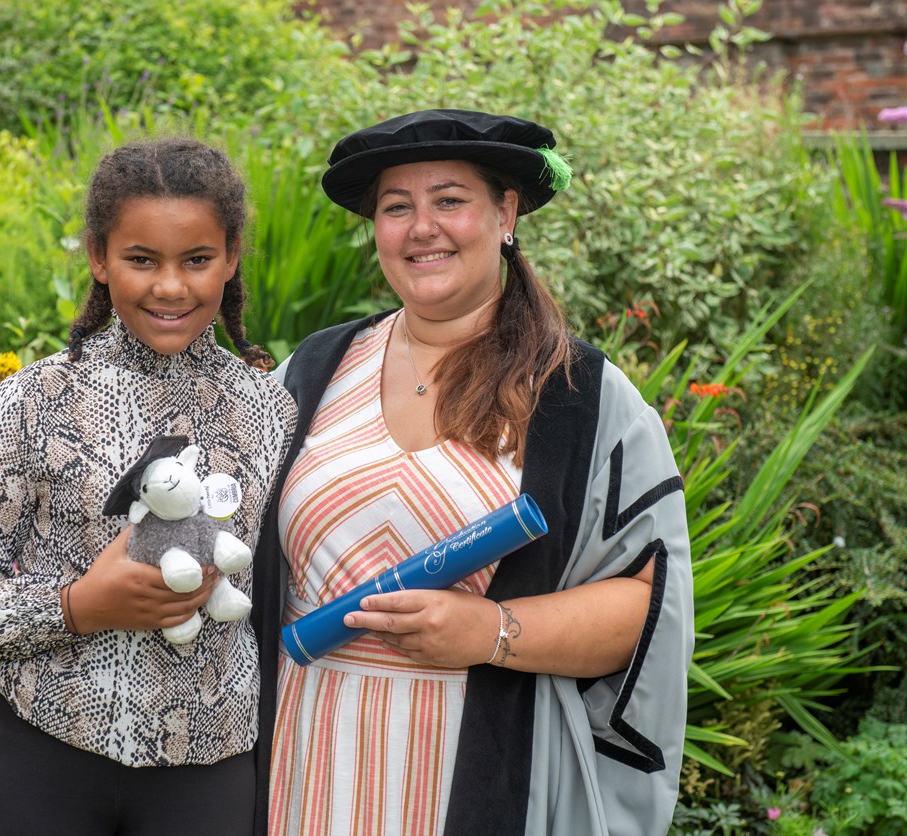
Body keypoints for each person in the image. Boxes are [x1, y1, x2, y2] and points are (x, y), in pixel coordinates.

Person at [251, 110, 694, 835]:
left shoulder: (579, 396)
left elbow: (649, 603)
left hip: (482, 767)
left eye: (449, 200)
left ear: (506, 211)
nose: (422, 227)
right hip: (303, 758)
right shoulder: (314, 369)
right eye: (397, 208)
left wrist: (492, 628)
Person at [0, 137, 297, 836]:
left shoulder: (271, 410)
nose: (171, 286)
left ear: (232, 256)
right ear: (99, 256)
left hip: (208, 770)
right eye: (141, 260)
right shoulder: (34, 402)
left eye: (197, 260)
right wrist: (78, 606)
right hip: (46, 756)